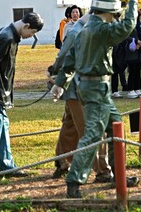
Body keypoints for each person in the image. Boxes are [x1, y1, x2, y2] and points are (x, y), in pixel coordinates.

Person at [51, 0, 140, 198]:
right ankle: (74, 181)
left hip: (93, 88)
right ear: (110, 11)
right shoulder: (101, 30)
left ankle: (119, 175)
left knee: (116, 128)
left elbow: (70, 59)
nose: (115, 17)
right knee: (92, 135)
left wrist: (61, 83)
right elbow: (128, 26)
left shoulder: (84, 30)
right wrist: (133, 2)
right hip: (97, 88)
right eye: (115, 13)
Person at [49, 12, 112, 181]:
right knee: (92, 128)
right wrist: (56, 72)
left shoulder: (84, 29)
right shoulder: (78, 32)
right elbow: (64, 57)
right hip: (79, 88)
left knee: (70, 126)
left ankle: (62, 161)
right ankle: (102, 170)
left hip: (75, 89)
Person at [0, 12, 44, 186]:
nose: (31, 36)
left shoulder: (10, 34)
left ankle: (7, 166)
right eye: (32, 33)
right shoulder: (6, 38)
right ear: (26, 26)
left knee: (2, 128)